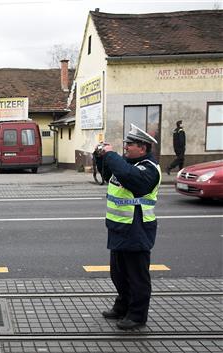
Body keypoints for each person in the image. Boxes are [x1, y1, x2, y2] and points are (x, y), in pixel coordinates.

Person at [95, 124, 161, 330]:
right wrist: (100, 157)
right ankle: (122, 306)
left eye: (130, 144)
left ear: (142, 148)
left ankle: (137, 315)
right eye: (126, 143)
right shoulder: (126, 163)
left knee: (137, 277)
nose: (126, 147)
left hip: (137, 230)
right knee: (119, 274)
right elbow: (108, 175)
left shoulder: (149, 169)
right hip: (119, 228)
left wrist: (111, 154)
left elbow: (132, 179)